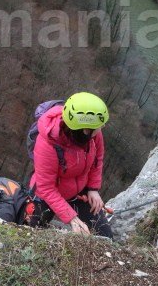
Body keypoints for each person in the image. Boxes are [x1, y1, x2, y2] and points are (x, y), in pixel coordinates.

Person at [28, 92, 113, 237]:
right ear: (85, 130)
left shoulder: (94, 133)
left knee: (105, 235)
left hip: (78, 192)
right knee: (32, 233)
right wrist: (71, 217)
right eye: (99, 126)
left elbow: (98, 158)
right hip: (47, 194)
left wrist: (93, 188)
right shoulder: (48, 143)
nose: (101, 128)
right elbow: (46, 187)